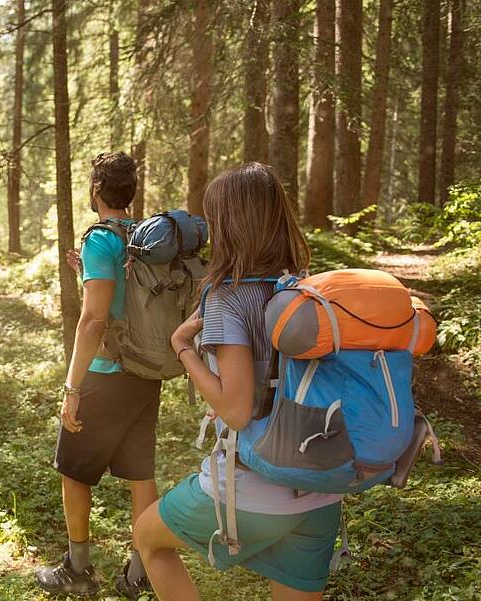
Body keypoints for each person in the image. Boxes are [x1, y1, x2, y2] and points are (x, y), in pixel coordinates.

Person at [133, 163, 343, 601]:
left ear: (229, 224)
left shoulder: (229, 297)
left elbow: (236, 410)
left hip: (251, 490)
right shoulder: (304, 289)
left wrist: (183, 348)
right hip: (321, 491)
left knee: (147, 538)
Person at [35, 152, 161, 598]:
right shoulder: (141, 237)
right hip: (145, 373)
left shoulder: (101, 241)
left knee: (73, 471)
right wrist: (86, 269)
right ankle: (139, 573)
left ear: (95, 190)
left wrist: (72, 387)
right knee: (140, 475)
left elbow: (92, 322)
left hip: (107, 373)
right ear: (130, 193)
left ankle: (77, 569)